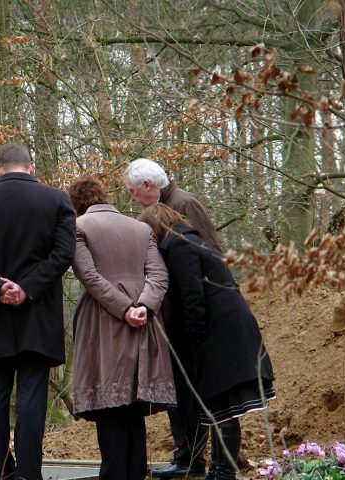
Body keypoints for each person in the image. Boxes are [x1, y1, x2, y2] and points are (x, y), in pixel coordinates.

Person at [0, 143, 76, 480]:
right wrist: (28, 288)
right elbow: (64, 254)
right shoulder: (57, 201)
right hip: (38, 316)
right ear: (31, 167)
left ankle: (1, 474)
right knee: (31, 395)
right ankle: (28, 475)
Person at [140, 204, 276, 480]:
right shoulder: (192, 240)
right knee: (220, 404)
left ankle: (223, 473)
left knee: (223, 404)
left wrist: (195, 337)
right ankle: (217, 470)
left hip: (219, 330)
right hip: (225, 324)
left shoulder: (179, 246)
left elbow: (193, 294)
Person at [68, 177, 175, 480]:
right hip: (144, 323)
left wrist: (124, 309)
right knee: (132, 404)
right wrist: (143, 305)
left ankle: (114, 474)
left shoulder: (79, 228)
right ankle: (135, 473)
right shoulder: (140, 228)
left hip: (103, 322)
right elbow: (159, 275)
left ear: (76, 203)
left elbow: (89, 276)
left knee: (111, 402)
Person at [122, 158, 220, 478]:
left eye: (133, 192)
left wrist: (200, 319)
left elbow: (209, 258)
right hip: (172, 317)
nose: (132, 198)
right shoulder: (159, 211)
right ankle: (186, 456)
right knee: (177, 389)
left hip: (192, 317)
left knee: (191, 389)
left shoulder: (185, 204)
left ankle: (193, 459)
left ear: (148, 186)